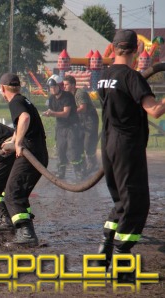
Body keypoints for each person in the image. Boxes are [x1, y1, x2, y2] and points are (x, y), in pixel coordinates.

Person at [95, 29, 165, 280]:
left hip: (109, 144)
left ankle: (103, 253)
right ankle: (122, 261)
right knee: (136, 205)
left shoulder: (103, 77)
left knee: (120, 203)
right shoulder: (132, 77)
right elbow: (154, 111)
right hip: (127, 147)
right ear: (135, 51)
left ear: (113, 49)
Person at [0, 73, 49, 246]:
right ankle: (24, 231)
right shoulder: (24, 100)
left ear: (3, 88)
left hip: (30, 154)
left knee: (11, 193)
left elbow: (25, 118)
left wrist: (18, 143)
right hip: (39, 153)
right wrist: (12, 140)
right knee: (19, 193)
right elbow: (24, 122)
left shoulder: (15, 102)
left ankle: (26, 235)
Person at [43, 74, 85, 180]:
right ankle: (61, 171)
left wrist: (51, 113)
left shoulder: (68, 96)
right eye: (50, 88)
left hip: (72, 126)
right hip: (60, 127)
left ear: (60, 86)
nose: (52, 89)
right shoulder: (51, 99)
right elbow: (53, 111)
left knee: (72, 149)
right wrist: (48, 112)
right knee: (60, 149)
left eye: (54, 87)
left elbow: (66, 113)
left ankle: (78, 170)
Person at [63, 75, 99, 174]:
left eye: (66, 84)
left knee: (88, 143)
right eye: (64, 84)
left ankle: (93, 164)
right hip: (80, 120)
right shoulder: (69, 95)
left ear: (73, 85)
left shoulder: (80, 93)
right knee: (78, 143)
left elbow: (83, 108)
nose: (64, 86)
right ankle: (84, 166)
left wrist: (70, 113)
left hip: (89, 119)